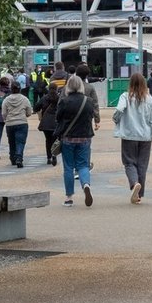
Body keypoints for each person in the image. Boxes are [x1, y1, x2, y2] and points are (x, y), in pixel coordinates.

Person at [113, 73, 152, 204]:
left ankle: (134, 183)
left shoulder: (125, 96)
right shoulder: (149, 99)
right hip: (145, 136)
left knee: (129, 162)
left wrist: (116, 119)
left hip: (129, 135)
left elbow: (119, 110)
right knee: (142, 165)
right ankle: (139, 194)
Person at [55, 75, 98, 207]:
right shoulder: (88, 101)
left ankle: (69, 197)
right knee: (83, 165)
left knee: (68, 167)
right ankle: (85, 184)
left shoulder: (64, 101)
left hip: (68, 137)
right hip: (85, 137)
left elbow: (58, 117)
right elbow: (91, 115)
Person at [0, 83, 33, 168]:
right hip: (22, 122)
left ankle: (12, 157)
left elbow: (3, 113)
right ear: (20, 89)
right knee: (20, 142)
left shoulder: (6, 100)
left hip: (10, 123)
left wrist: (6, 119)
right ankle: (19, 157)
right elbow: (29, 112)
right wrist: (24, 115)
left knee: (11, 141)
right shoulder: (24, 99)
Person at [36, 82, 61, 166]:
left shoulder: (44, 98)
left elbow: (36, 107)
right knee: (55, 140)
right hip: (56, 122)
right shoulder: (59, 99)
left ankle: (49, 157)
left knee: (48, 140)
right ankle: (54, 155)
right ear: (57, 89)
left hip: (46, 122)